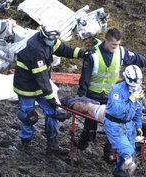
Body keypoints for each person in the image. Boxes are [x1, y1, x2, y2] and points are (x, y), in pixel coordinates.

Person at [76, 27, 146, 150]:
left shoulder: (120, 52)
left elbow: (136, 58)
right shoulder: (92, 55)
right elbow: (84, 77)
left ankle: (111, 147)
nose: (115, 47)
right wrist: (81, 96)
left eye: (117, 44)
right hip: (93, 94)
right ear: (106, 40)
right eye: (113, 45)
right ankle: (83, 145)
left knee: (116, 120)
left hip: (110, 95)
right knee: (90, 123)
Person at [13, 24, 91, 155]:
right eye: (51, 37)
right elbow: (42, 78)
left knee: (53, 113)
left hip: (40, 85)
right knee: (29, 116)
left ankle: (52, 145)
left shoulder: (50, 41)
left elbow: (63, 49)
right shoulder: (36, 49)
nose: (53, 40)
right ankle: (25, 142)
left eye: (55, 37)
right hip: (26, 86)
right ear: (43, 34)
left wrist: (82, 53)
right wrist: (51, 99)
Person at [103, 65, 144, 177]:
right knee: (127, 152)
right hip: (114, 124)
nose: (134, 85)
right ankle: (119, 173)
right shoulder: (117, 90)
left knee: (130, 151)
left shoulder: (138, 89)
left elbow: (138, 109)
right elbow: (116, 110)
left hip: (129, 125)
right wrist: (131, 99)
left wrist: (138, 126)